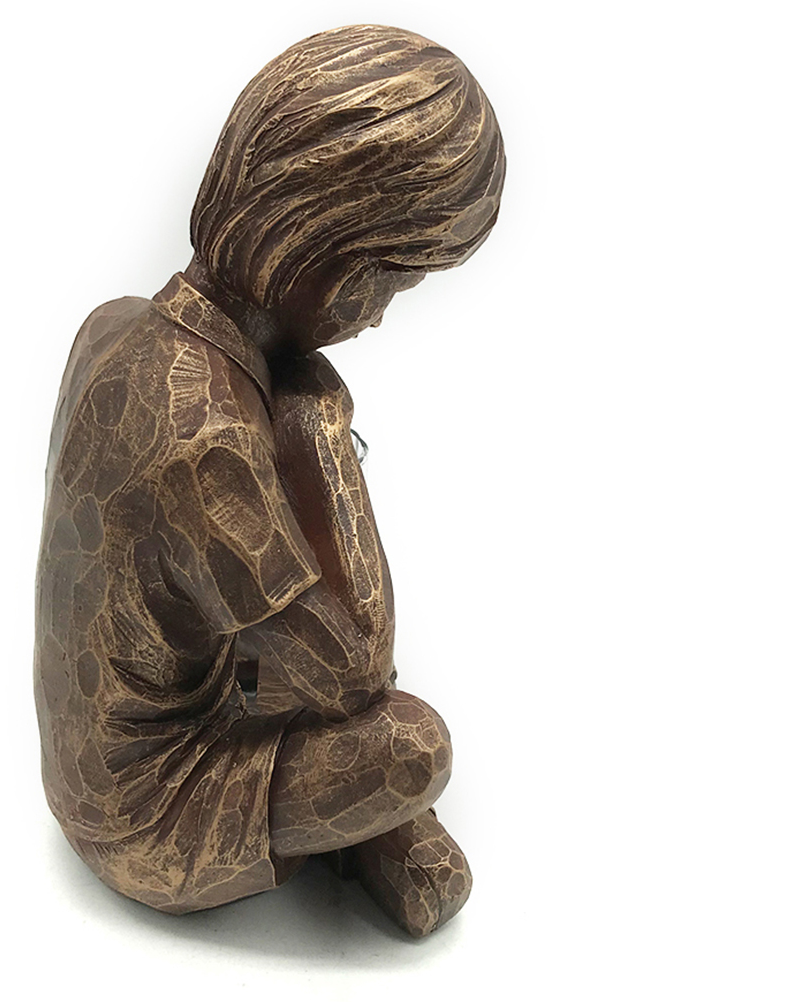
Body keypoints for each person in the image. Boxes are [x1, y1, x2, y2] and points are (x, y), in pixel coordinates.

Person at [34, 23, 504, 937]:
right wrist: (322, 434)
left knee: (284, 666)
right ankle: (365, 827)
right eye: (390, 281)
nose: (379, 317)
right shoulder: (206, 434)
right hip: (145, 811)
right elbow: (353, 673)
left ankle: (360, 833)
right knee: (413, 748)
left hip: (163, 714)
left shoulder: (115, 323)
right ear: (324, 254)